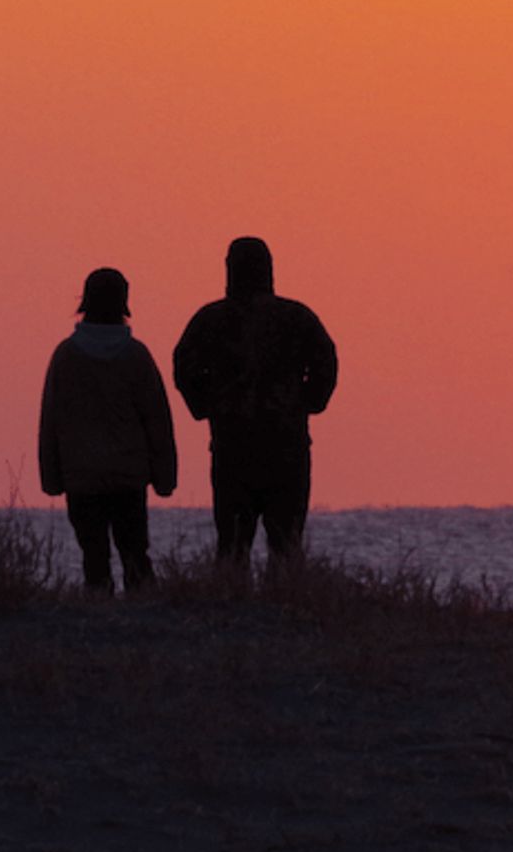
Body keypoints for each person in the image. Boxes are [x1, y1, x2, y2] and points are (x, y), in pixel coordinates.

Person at [173, 237, 337, 565]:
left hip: (232, 447)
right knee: (286, 547)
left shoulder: (211, 320)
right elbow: (326, 363)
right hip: (286, 447)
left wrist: (207, 405)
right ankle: (284, 609)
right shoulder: (297, 318)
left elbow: (184, 367)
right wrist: (307, 402)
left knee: (232, 546)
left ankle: (231, 605)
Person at [38, 268, 177, 594]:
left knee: (93, 557)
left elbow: (51, 420)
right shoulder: (136, 356)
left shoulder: (66, 356)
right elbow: (157, 420)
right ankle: (142, 620)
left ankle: (99, 615)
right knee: (136, 555)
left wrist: (51, 477)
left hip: (82, 476)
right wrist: (165, 476)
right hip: (128, 474)